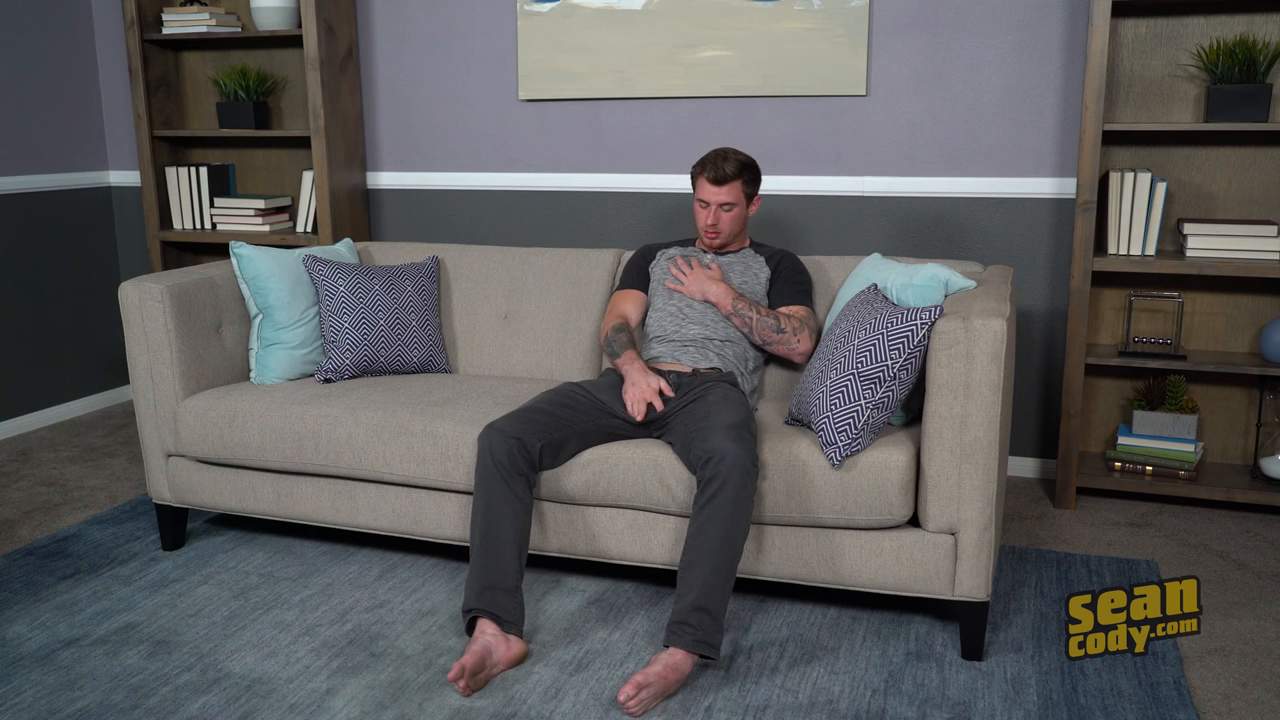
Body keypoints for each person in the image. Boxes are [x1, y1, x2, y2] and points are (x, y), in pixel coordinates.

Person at [446, 147, 819, 717]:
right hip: (635, 380)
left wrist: (719, 293)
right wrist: (632, 368)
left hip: (712, 390)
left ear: (753, 205)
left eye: (725, 207)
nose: (710, 220)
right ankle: (496, 629)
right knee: (504, 438)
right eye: (701, 204)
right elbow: (616, 323)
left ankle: (684, 647)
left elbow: (798, 343)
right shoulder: (654, 256)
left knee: (732, 461)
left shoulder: (778, 263)